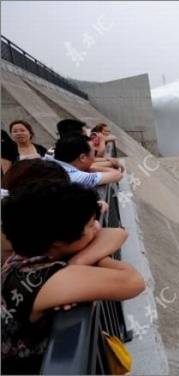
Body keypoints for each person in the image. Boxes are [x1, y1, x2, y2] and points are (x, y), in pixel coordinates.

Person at [1, 181, 145, 374]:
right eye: (89, 225)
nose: (97, 227)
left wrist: (78, 261)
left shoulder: (28, 255)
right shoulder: (41, 277)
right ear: (59, 241)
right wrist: (81, 262)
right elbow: (134, 282)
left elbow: (117, 233)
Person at [49, 135, 122, 187]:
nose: (94, 159)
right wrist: (91, 168)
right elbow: (117, 174)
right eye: (94, 153)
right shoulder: (75, 176)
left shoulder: (49, 156)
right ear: (83, 157)